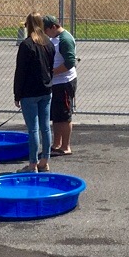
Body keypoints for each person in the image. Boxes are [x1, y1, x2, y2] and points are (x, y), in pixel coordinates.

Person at [13, 12, 55, 173]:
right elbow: (50, 67)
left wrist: (17, 94)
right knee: (45, 127)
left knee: (33, 129)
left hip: (29, 92)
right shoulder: (48, 43)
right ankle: (45, 161)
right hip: (46, 90)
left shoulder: (27, 45)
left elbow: (20, 72)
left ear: (28, 25)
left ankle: (32, 164)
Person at [43, 15, 77, 156]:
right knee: (56, 114)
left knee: (64, 114)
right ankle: (56, 143)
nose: (45, 33)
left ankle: (65, 146)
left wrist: (52, 72)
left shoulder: (65, 39)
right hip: (55, 83)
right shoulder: (54, 38)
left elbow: (69, 63)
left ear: (53, 27)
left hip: (64, 82)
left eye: (46, 30)